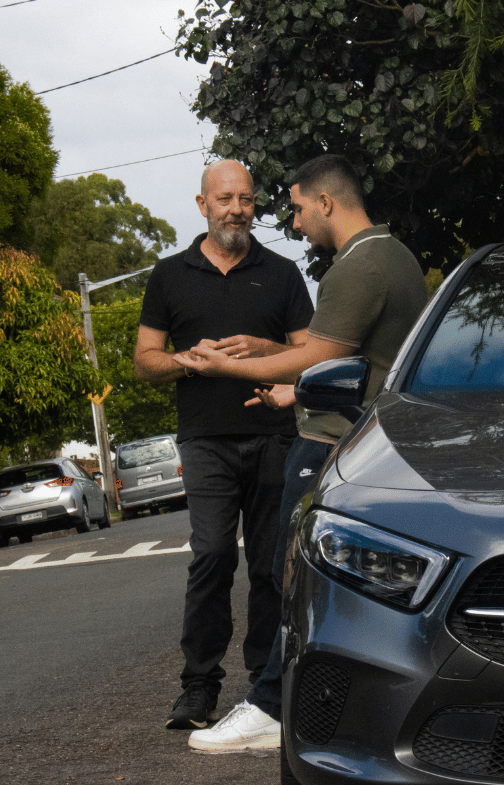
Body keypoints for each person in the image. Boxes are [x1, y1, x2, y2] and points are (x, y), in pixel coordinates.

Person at [175, 154, 428, 754]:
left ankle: (270, 707)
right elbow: (359, 362)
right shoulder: (393, 255)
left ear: (325, 202)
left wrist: (226, 366)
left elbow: (317, 352)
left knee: (297, 577)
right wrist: (292, 387)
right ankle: (318, 700)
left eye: (295, 207)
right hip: (359, 433)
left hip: (330, 442)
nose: (292, 223)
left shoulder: (360, 266)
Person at [135, 159, 315, 731]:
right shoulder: (168, 275)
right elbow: (145, 362)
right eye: (224, 199)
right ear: (202, 204)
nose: (236, 209)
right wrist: (191, 363)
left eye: (245, 199)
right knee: (212, 555)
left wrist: (262, 349)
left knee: (268, 566)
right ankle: (198, 687)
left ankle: (267, 686)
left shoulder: (283, 273)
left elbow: (311, 352)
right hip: (205, 439)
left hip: (273, 436)